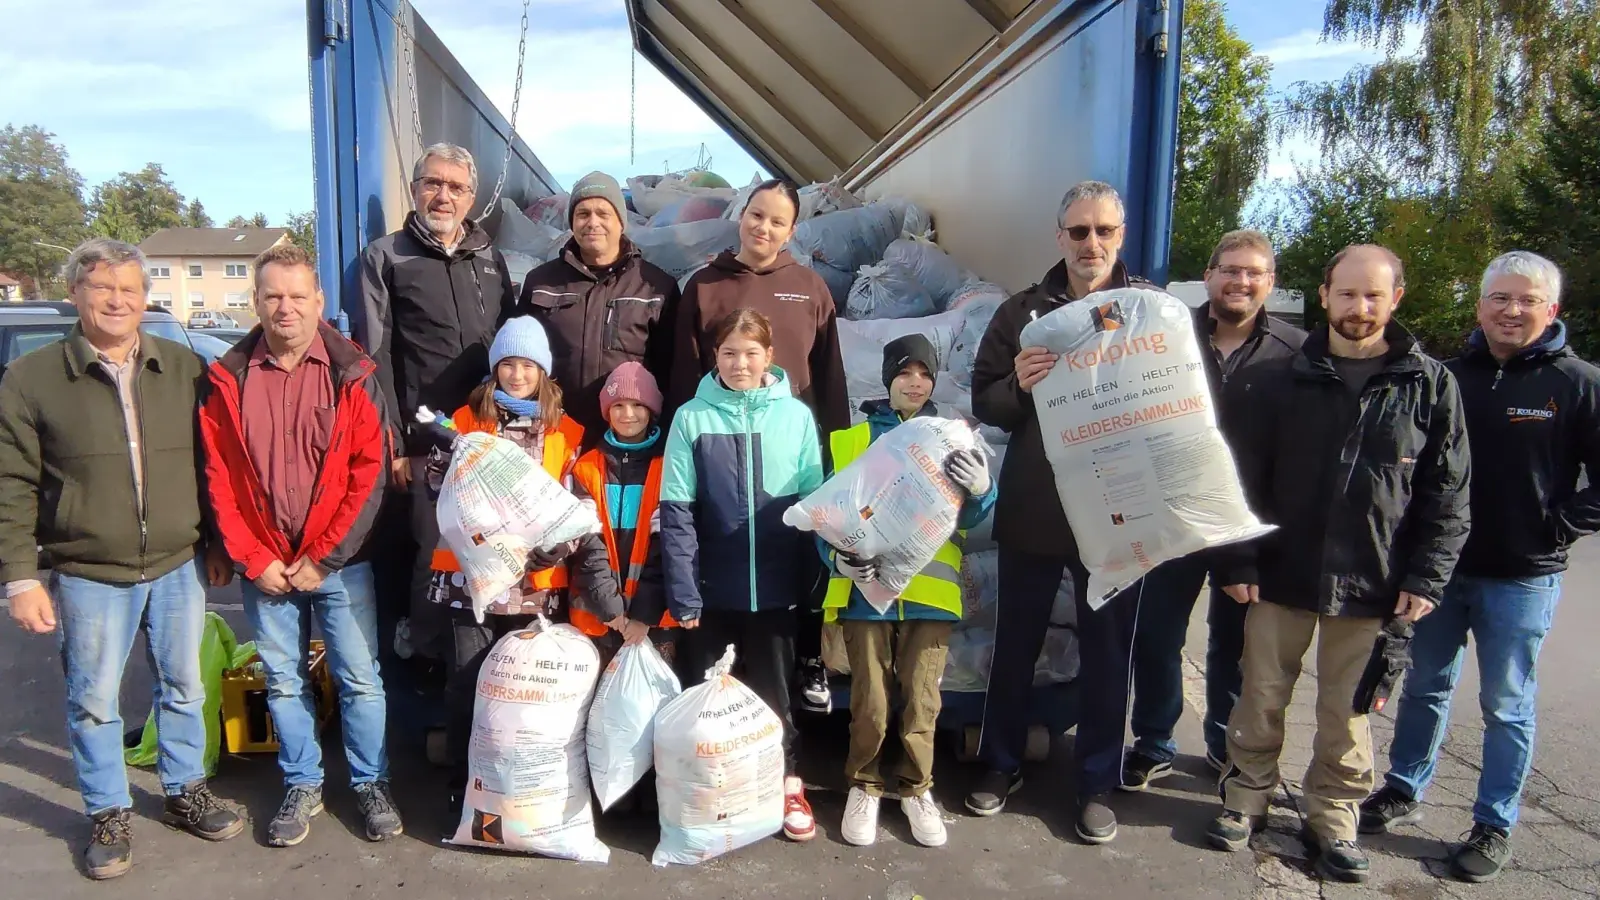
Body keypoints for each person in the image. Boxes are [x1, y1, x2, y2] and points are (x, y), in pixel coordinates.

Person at [1207, 244, 1471, 884]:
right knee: (1261, 696)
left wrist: (1426, 579)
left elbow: (1448, 492)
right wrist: (1238, 558)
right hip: (1279, 570)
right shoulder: (1281, 377)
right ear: (1324, 295)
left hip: (1374, 579)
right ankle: (1245, 800)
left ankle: (1334, 819)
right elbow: (1240, 478)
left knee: (1348, 711)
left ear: (1395, 299)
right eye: (1347, 294)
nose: (1359, 308)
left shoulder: (1428, 385)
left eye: (1373, 295)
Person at [0, 238, 242, 880]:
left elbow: (210, 465)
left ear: (145, 298)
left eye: (130, 290)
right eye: (103, 288)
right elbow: (12, 482)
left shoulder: (182, 368)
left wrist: (217, 543)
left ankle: (186, 788)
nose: (117, 301)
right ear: (76, 293)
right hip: (89, 571)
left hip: (178, 563)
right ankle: (108, 810)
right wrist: (21, 577)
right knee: (94, 700)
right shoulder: (33, 378)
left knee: (185, 686)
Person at [1360, 251, 1599, 883]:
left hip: (1522, 577)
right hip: (1439, 574)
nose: (1511, 311)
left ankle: (1493, 823)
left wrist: (1559, 523)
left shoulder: (1577, 383)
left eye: (1526, 301)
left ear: (1551, 310)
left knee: (1506, 704)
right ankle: (1403, 789)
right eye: (1500, 298)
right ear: (1480, 305)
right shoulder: (1447, 376)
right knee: (1424, 689)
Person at [966, 180, 1157, 844]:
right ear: (1060, 237)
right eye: (1079, 231)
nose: (1091, 243)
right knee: (1013, 646)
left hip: (1116, 513)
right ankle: (1000, 764)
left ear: (1120, 236)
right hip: (1037, 507)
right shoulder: (1022, 312)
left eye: (1104, 230)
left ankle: (1097, 782)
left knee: (1109, 653)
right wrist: (1018, 387)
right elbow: (984, 400)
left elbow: (1185, 400)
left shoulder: (1149, 312)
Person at [198, 244, 399, 848]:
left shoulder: (352, 374)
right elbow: (219, 478)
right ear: (256, 302)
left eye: (296, 296)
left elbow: (370, 475)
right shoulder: (228, 379)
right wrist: (252, 558)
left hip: (338, 564)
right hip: (266, 567)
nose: (285, 308)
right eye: (272, 296)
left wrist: (324, 558)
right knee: (283, 682)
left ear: (319, 303)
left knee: (360, 678)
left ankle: (370, 781)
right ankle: (302, 782)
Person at [1121, 230, 1307, 790]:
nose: (1240, 281)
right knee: (1155, 636)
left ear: (1270, 282)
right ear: (1208, 275)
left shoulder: (1296, 353)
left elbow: (1296, 456)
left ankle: (1224, 745)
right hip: (1170, 520)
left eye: (1253, 272)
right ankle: (1153, 741)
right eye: (1230, 269)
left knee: (1236, 645)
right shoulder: (1168, 339)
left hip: (1246, 531)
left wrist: (1254, 548)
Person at [665, 178, 849, 715]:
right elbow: (683, 377)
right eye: (756, 215)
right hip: (717, 449)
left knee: (793, 561)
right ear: (741, 215)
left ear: (792, 230)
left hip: (790, 447)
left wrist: (834, 450)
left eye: (777, 221)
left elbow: (829, 378)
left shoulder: (810, 287)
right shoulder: (703, 285)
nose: (763, 227)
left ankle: (808, 660)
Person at [823, 335, 997, 849]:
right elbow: (826, 513)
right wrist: (833, 556)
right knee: (871, 701)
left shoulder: (953, 438)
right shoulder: (852, 439)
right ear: (888, 378)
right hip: (866, 593)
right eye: (905, 372)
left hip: (929, 592)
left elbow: (972, 517)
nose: (915, 382)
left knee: (923, 700)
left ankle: (917, 787)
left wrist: (986, 492)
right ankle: (865, 784)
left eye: (925, 373)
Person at [660, 308, 825, 842]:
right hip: (712, 592)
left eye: (751, 353)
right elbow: (678, 509)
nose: (739, 363)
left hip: (777, 590)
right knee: (707, 701)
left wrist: (812, 585)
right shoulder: (691, 418)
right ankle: (711, 793)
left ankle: (787, 786)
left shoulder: (795, 417)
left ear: (769, 358)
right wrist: (684, 592)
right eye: (729, 353)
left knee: (776, 698)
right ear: (714, 357)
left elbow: (813, 507)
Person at [357, 142, 518, 657]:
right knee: (434, 555)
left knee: (492, 552)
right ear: (415, 189)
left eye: (455, 186)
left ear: (471, 198)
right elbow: (373, 355)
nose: (443, 195)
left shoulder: (489, 258)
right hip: (427, 442)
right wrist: (396, 443)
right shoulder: (387, 256)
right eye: (433, 183)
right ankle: (420, 658)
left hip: (488, 440)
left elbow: (511, 347)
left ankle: (485, 659)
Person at [418, 316, 586, 810]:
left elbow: (573, 500)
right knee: (468, 678)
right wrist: (446, 453)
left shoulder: (565, 431)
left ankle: (523, 783)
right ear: (494, 370)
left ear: (544, 372)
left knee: (526, 685)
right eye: (507, 364)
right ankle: (466, 784)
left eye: (527, 365)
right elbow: (436, 488)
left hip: (536, 579)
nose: (517, 374)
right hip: (468, 577)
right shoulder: (466, 421)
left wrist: (556, 547)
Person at [516, 172, 681, 436]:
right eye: (583, 214)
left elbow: (672, 370)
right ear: (572, 223)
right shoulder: (541, 282)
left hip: (628, 437)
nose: (592, 223)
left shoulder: (656, 286)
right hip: (553, 433)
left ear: (621, 222)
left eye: (603, 214)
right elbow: (519, 358)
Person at [567, 361, 680, 664]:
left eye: (637, 405)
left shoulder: (671, 465)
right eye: (618, 405)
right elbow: (588, 546)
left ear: (652, 409)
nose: (628, 414)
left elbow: (668, 547)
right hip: (599, 617)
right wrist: (612, 611)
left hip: (655, 621)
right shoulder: (587, 468)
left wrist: (644, 615)